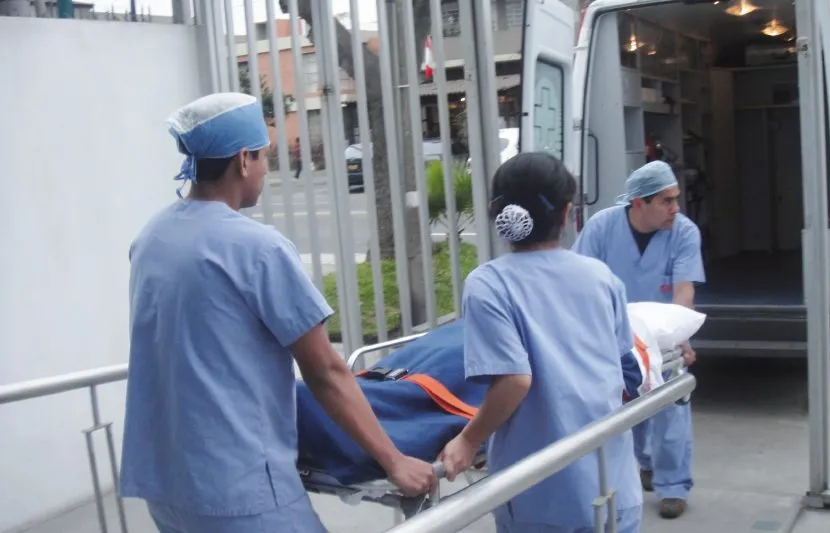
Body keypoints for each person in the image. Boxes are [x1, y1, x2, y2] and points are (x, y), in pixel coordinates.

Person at [119, 92, 437, 533]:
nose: (267, 170)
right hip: (239, 488)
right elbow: (326, 372)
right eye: (265, 156)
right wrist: (394, 461)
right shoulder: (258, 249)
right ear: (243, 160)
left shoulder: (152, 238)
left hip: (166, 485)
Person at [437, 152, 645, 533]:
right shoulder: (601, 277)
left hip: (542, 498)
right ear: (566, 214)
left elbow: (514, 381)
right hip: (614, 487)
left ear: (496, 213)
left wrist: (469, 440)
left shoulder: (489, 284)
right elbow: (625, 371)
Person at [572, 160, 705, 519]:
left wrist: (681, 334)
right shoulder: (601, 228)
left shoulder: (684, 232)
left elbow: (684, 289)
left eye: (676, 199)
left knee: (671, 407)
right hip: (613, 334)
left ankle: (673, 486)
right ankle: (646, 462)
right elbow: (580, 283)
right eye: (666, 201)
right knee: (628, 407)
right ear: (638, 203)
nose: (675, 208)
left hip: (662, 333)